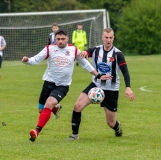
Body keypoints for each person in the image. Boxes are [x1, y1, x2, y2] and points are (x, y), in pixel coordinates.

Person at [22, 29, 111, 142]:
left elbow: (85, 64)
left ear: (67, 39)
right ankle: (55, 109)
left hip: (62, 86)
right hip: (48, 83)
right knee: (41, 110)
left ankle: (36, 131)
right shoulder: (50, 48)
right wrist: (27, 60)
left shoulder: (73, 50)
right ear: (55, 39)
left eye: (63, 39)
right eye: (58, 39)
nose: (60, 41)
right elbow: (36, 59)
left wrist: (98, 75)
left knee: (48, 103)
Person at [68, 27, 135, 140]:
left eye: (110, 38)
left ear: (113, 38)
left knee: (110, 123)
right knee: (77, 106)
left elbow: (125, 72)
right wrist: (84, 53)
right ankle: (74, 135)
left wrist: (128, 87)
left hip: (111, 90)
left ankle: (117, 126)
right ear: (102, 38)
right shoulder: (95, 50)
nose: (108, 40)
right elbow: (86, 53)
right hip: (95, 86)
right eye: (106, 38)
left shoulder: (118, 54)